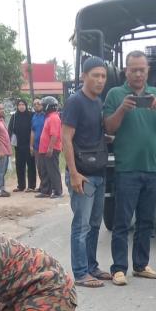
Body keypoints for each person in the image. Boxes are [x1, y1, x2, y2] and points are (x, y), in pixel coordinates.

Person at [103, 50, 156, 287]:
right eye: (133, 69)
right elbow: (109, 128)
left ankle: (141, 265)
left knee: (147, 221)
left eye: (141, 69)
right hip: (127, 168)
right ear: (126, 71)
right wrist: (123, 109)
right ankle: (119, 268)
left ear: (148, 71)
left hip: (152, 168)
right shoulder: (115, 94)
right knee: (122, 222)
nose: (137, 73)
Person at [63, 57, 111, 289]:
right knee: (81, 226)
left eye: (103, 76)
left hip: (98, 171)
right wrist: (73, 173)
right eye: (95, 75)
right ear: (84, 76)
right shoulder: (75, 101)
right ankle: (81, 272)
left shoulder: (98, 101)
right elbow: (66, 138)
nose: (100, 80)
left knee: (94, 224)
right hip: (82, 174)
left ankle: (92, 266)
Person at [35, 97, 63, 199]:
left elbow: (54, 135)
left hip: (51, 149)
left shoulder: (54, 118)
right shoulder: (49, 117)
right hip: (44, 149)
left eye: (43, 105)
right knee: (44, 170)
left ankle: (57, 191)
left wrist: (50, 148)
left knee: (53, 170)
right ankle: (46, 190)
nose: (41, 107)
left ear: (48, 106)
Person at [9, 99, 35, 192]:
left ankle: (31, 186)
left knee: (31, 166)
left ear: (26, 105)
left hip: (29, 145)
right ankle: (21, 185)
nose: (21, 106)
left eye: (23, 104)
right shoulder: (14, 116)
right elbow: (10, 130)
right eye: (19, 104)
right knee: (19, 166)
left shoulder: (31, 115)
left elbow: (34, 128)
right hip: (18, 146)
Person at [31, 98, 48, 195]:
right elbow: (32, 132)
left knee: (46, 168)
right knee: (40, 168)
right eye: (35, 104)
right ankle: (42, 185)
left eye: (38, 103)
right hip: (37, 146)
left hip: (45, 146)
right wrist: (31, 145)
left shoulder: (46, 116)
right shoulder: (34, 117)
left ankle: (46, 188)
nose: (37, 105)